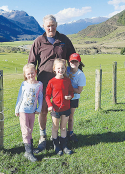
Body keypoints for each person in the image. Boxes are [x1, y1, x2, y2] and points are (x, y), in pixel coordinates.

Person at [28, 15, 76, 153]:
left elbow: (73, 57)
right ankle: (43, 136)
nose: (51, 28)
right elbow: (31, 62)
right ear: (44, 26)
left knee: (61, 111)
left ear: (57, 25)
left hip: (62, 84)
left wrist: (78, 75)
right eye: (48, 26)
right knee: (43, 110)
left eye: (53, 25)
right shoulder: (38, 41)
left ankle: (61, 138)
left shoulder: (64, 40)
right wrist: (30, 80)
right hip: (44, 83)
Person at [15, 63, 43, 162]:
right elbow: (20, 97)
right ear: (25, 75)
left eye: (32, 73)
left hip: (32, 111)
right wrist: (17, 109)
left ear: (35, 72)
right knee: (25, 131)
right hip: (23, 110)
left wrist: (39, 108)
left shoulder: (39, 84)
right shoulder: (24, 84)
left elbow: (40, 97)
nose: (30, 75)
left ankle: (30, 149)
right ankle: (28, 153)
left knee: (30, 130)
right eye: (28, 74)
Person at [46, 58, 74, 155]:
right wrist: (49, 105)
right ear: (54, 69)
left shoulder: (67, 81)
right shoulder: (51, 82)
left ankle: (64, 146)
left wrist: (70, 96)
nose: (60, 70)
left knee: (63, 128)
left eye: (62, 68)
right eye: (58, 68)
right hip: (55, 109)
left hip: (66, 108)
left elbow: (71, 91)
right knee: (55, 127)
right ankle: (56, 146)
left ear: (65, 69)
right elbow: (47, 96)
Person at [66, 53, 86, 142]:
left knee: (70, 116)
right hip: (64, 97)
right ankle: (61, 134)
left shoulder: (80, 75)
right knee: (62, 116)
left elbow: (79, 90)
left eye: (76, 61)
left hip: (74, 98)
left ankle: (70, 133)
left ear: (79, 62)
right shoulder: (66, 70)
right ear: (69, 62)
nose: (74, 63)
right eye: (72, 61)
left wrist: (68, 88)